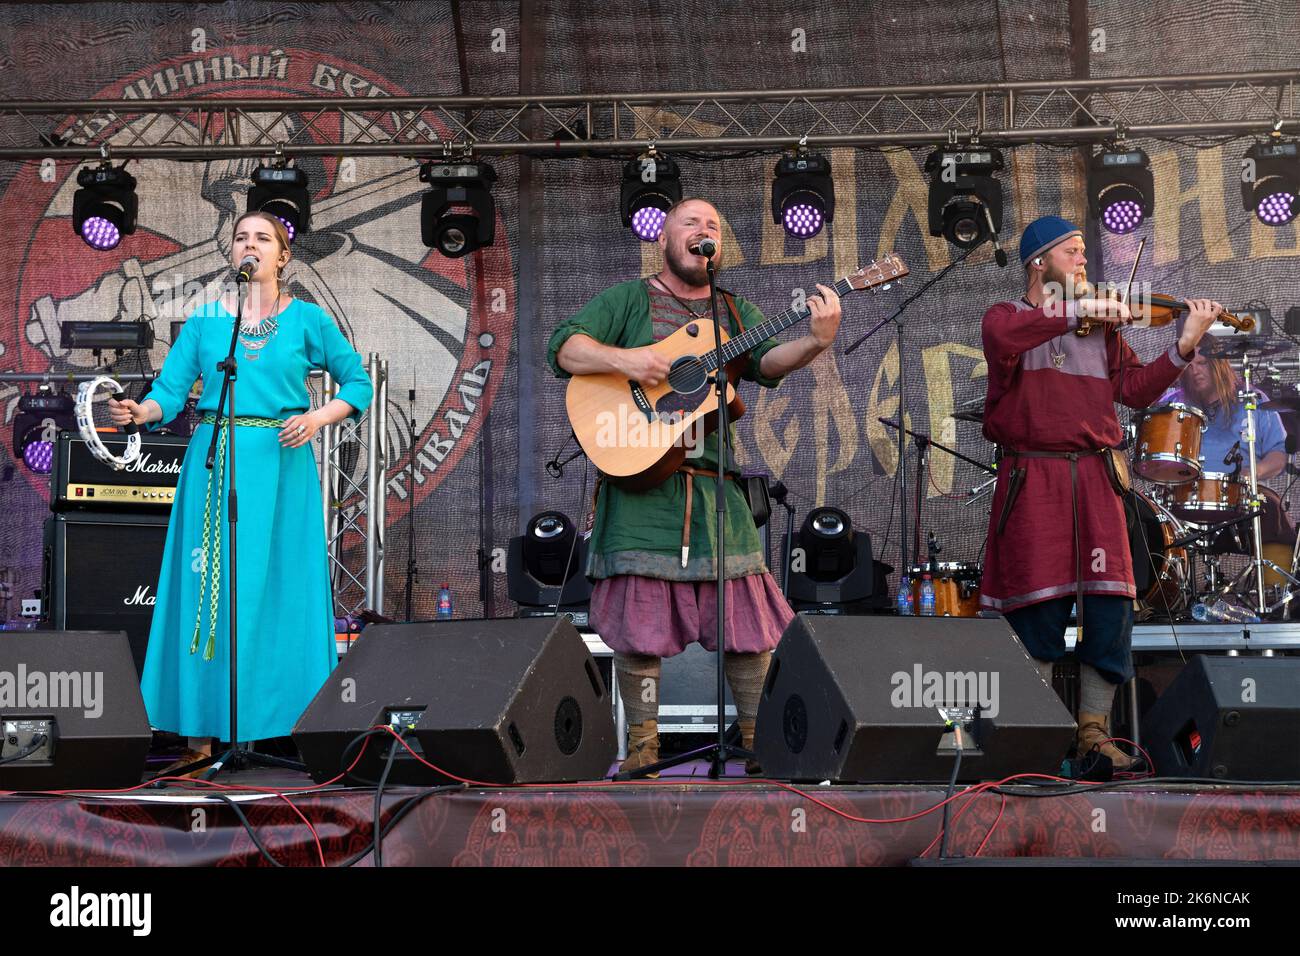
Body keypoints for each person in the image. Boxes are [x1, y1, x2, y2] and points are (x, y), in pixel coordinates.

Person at [547, 197, 842, 773]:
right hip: (641, 490)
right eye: (691, 222)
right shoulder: (627, 300)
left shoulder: (732, 310)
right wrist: (630, 363)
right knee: (637, 628)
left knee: (748, 626)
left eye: (713, 225)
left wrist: (815, 342)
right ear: (665, 239)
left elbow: (767, 362)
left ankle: (759, 745)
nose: (704, 231)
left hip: (714, 487)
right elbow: (565, 347)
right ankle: (643, 749)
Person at [110, 211, 374, 753]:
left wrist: (318, 417)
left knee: (277, 589)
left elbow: (359, 382)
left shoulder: (307, 320)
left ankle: (287, 730)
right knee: (208, 591)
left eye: (262, 238)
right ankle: (201, 736)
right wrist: (141, 413)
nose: (249, 245)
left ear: (283, 256)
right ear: (230, 254)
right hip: (212, 459)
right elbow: (169, 390)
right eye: (240, 238)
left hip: (280, 463)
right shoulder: (207, 321)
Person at [979, 215, 1217, 771]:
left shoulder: (1101, 331)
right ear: (1040, 262)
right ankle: (1034, 739)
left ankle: (1093, 734)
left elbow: (1132, 391)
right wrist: (1079, 310)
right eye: (1074, 252)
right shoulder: (1006, 317)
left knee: (1111, 607)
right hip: (1035, 479)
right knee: (1037, 609)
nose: (1085, 262)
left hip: (1097, 479)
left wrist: (1181, 348)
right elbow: (1004, 340)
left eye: (1086, 252)